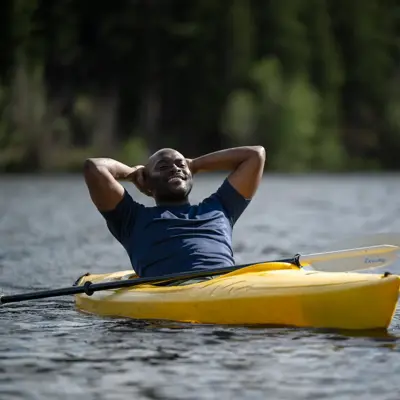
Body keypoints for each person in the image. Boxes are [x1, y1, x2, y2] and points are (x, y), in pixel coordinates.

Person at [83, 146, 266, 278]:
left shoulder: (220, 207)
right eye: (163, 167)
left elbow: (255, 155)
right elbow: (95, 168)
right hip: (175, 293)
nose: (175, 168)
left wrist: (194, 164)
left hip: (226, 286)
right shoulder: (131, 219)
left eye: (180, 165)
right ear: (146, 182)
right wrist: (132, 173)